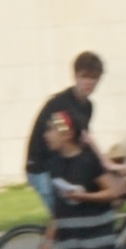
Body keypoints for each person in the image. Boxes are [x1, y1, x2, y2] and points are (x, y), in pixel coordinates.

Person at [36, 109, 126, 249]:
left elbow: (112, 192)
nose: (46, 135)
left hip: (95, 243)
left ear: (66, 133)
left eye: (50, 130)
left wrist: (83, 196)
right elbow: (59, 207)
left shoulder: (88, 160)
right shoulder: (54, 163)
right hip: (70, 244)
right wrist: (48, 241)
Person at [26, 53, 103, 217]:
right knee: (63, 217)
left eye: (94, 77)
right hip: (41, 167)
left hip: (61, 165)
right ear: (75, 76)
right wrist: (105, 163)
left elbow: (81, 143)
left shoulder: (88, 106)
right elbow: (73, 136)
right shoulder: (60, 104)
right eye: (85, 77)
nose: (89, 82)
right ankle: (51, 241)